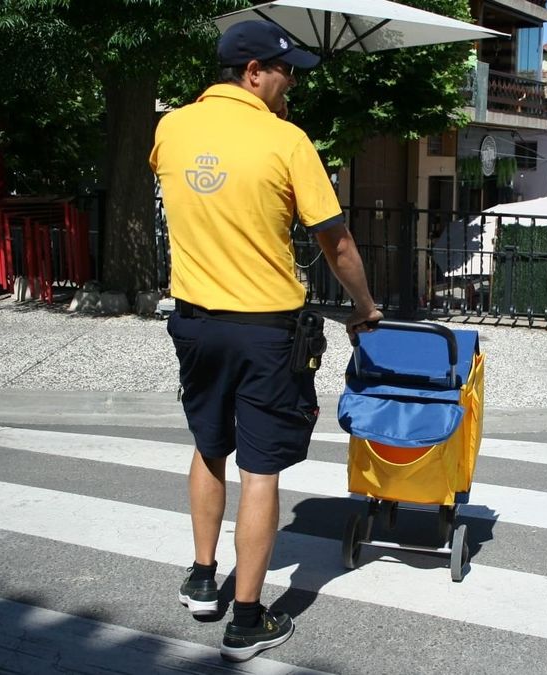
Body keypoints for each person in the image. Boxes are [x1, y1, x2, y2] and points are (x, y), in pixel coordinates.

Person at [149, 19, 383, 663]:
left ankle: (203, 579)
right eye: (287, 72)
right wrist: (365, 308)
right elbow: (335, 242)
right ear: (254, 72)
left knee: (207, 443)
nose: (293, 85)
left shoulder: (171, 128)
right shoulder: (286, 141)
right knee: (260, 469)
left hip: (194, 322)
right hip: (264, 328)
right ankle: (247, 620)